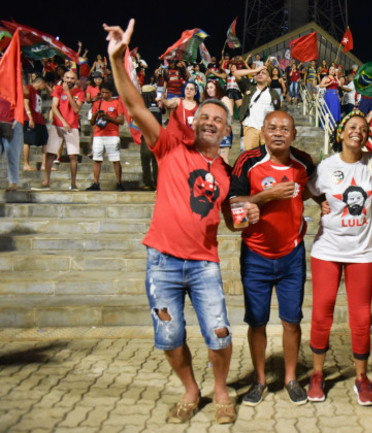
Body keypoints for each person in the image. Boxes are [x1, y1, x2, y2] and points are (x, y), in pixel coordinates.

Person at [103, 19, 259, 425]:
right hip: (163, 263)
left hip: (205, 265)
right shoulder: (170, 146)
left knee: (219, 333)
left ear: (227, 131)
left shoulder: (227, 174)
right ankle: (191, 390)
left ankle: (221, 390)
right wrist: (118, 60)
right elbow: (135, 105)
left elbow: (232, 221)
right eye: (204, 117)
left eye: (218, 120)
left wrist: (250, 214)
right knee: (169, 336)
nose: (210, 122)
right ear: (194, 122)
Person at [306, 110, 372, 405]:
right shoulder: (325, 167)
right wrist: (322, 204)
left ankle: (361, 378)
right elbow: (310, 190)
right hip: (327, 249)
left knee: (359, 318)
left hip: (363, 252)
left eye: (364, 128)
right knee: (321, 314)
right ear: (341, 133)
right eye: (352, 127)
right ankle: (317, 374)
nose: (358, 131)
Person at [229, 110, 316, 407]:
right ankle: (260, 380)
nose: (279, 133)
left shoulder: (304, 162)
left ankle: (292, 379)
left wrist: (324, 204)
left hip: (292, 254)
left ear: (293, 134)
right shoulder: (247, 161)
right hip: (256, 255)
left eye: (285, 128)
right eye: (273, 128)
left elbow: (311, 190)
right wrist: (267, 196)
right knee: (257, 322)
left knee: (292, 321)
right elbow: (234, 210)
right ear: (263, 132)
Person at [36, 70, 85, 190]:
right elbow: (54, 106)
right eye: (67, 78)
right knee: (50, 154)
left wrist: (68, 93)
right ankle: (46, 182)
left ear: (76, 80)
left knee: (73, 156)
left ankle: (73, 184)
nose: (69, 80)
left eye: (72, 78)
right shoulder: (58, 89)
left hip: (72, 127)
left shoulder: (80, 92)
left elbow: (76, 109)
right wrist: (63, 122)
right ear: (63, 78)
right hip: (57, 125)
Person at [86, 83, 125, 191]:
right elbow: (92, 122)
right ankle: (95, 183)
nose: (104, 95)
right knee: (97, 159)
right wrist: (94, 115)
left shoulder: (117, 103)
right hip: (98, 134)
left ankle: (119, 183)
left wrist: (108, 117)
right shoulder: (96, 104)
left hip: (112, 134)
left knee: (115, 160)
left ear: (111, 93)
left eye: (106, 92)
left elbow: (121, 121)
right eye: (102, 92)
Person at [238, 65, 281, 150]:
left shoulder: (273, 93)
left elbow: (278, 110)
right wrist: (254, 70)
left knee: (266, 158)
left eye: (263, 73)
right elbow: (236, 74)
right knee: (250, 158)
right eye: (258, 73)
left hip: (267, 130)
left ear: (268, 78)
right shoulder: (249, 87)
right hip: (250, 128)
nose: (260, 74)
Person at [202, 80, 234, 162]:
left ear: (217, 88)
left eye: (211, 87)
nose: (209, 90)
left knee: (223, 159)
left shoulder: (224, 99)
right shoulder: (208, 101)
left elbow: (230, 114)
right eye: (207, 88)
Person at [22, 76, 49, 172]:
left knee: (45, 141)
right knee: (27, 141)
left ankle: (44, 165)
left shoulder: (38, 92)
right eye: (44, 85)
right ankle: (26, 164)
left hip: (39, 119)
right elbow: (25, 103)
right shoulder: (29, 88)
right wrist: (30, 118)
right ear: (40, 82)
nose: (44, 87)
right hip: (30, 119)